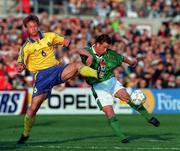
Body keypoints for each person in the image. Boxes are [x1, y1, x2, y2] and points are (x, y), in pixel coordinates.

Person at [17, 14, 98, 144]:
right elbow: (21, 62)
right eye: (30, 27)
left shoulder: (50, 36)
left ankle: (98, 74)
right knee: (33, 108)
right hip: (41, 77)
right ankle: (25, 134)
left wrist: (67, 42)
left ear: (38, 26)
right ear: (26, 28)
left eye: (35, 25)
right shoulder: (26, 47)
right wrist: (20, 66)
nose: (33, 28)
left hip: (56, 70)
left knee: (77, 65)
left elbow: (65, 41)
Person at [80, 34, 160, 143]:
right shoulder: (88, 51)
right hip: (98, 86)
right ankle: (122, 137)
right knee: (109, 112)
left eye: (107, 47)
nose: (106, 50)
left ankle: (149, 118)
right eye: (104, 47)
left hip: (110, 81)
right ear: (97, 44)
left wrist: (132, 62)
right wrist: (89, 56)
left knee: (127, 97)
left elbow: (123, 58)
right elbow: (79, 50)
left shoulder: (111, 54)